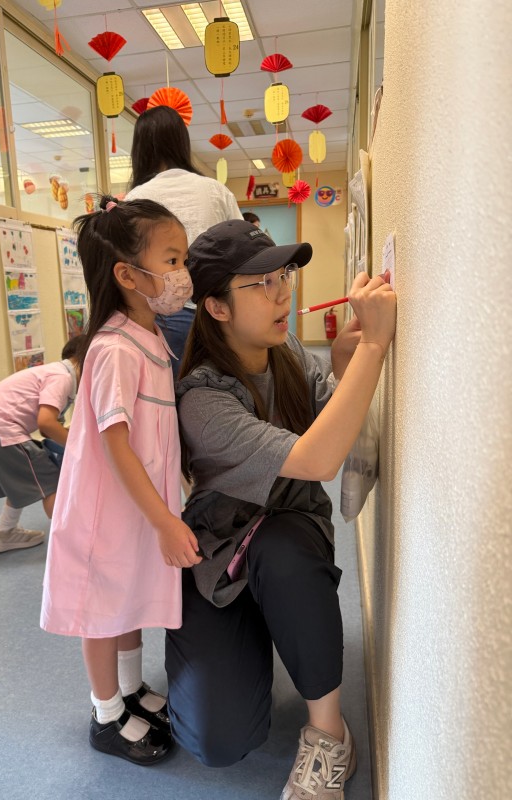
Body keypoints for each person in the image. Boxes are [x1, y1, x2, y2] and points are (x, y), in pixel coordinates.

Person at [166, 220, 396, 798]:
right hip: (218, 555)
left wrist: (342, 365)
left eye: (283, 276)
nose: (282, 293)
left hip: (287, 535)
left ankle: (329, 734)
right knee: (217, 742)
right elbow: (319, 458)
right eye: (260, 283)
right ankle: (258, 629)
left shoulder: (286, 350)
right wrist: (373, 347)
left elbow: (333, 422)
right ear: (217, 307)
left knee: (284, 549)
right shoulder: (203, 398)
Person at [40, 196, 202, 766]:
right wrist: (163, 520)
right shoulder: (113, 348)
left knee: (129, 598)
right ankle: (106, 714)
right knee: (103, 611)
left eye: (183, 260)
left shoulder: (151, 337)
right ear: (128, 275)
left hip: (137, 507)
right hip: (107, 513)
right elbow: (116, 442)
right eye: (172, 259)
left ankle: (130, 691)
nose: (183, 273)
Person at [124, 105, 243, 379]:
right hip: (217, 311)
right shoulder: (215, 191)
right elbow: (243, 252)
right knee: (221, 390)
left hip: (160, 318)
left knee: (168, 395)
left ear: (139, 149)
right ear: (182, 142)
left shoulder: (135, 200)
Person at [0, 336, 83, 553]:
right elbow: (46, 423)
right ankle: (71, 547)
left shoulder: (53, 372)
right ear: (84, 359)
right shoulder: (62, 377)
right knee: (51, 481)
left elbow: (48, 427)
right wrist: (78, 447)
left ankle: (5, 532)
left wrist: (71, 438)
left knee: (22, 478)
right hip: (3, 432)